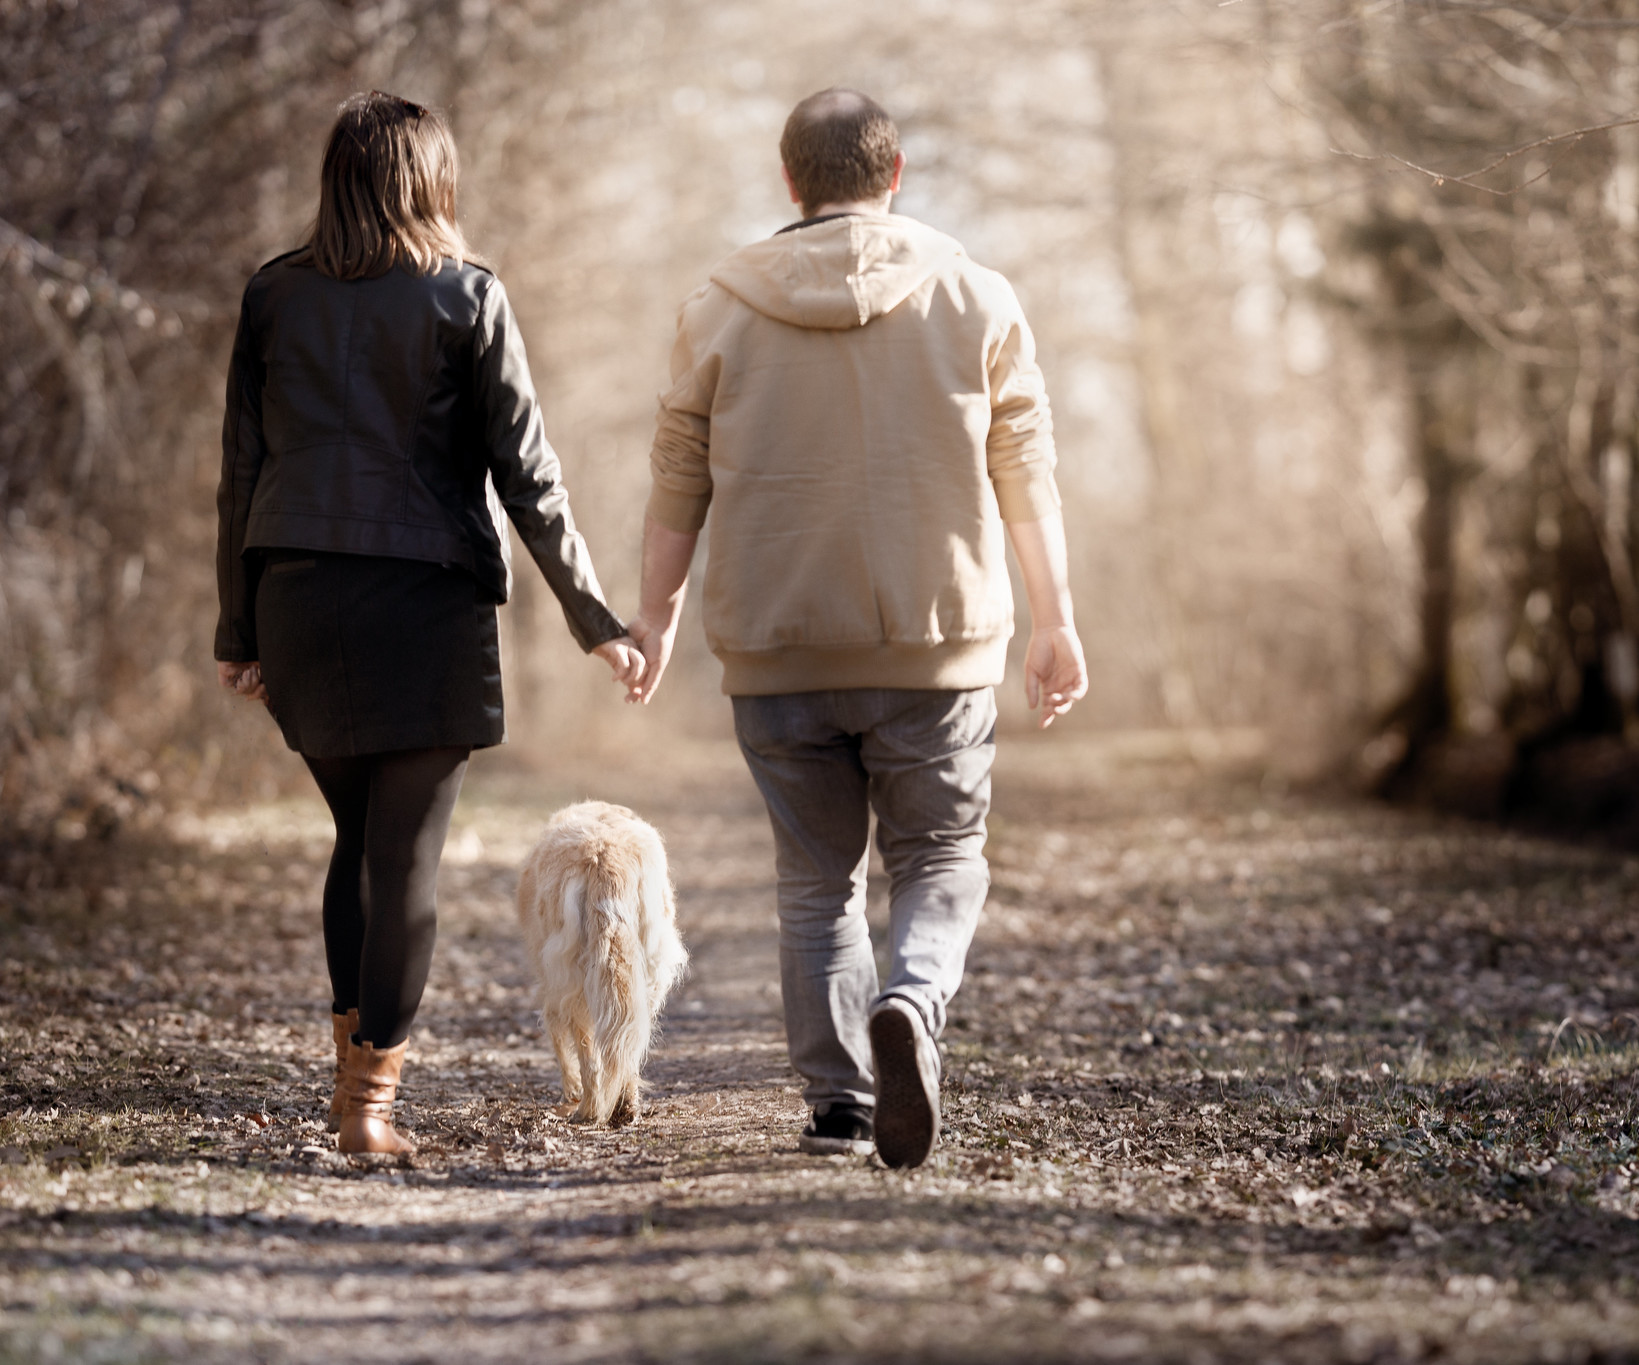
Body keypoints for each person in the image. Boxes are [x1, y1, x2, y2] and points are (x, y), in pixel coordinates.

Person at [625, 89, 1089, 1168]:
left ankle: (838, 1104)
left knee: (814, 879)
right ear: (896, 174)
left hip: (776, 645)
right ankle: (914, 1002)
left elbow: (675, 484)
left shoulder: (716, 306)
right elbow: (1025, 471)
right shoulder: (976, 296)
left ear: (789, 180)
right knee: (939, 853)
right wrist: (1054, 619)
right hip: (939, 642)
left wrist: (654, 617)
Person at [212, 92, 644, 1156]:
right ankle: (367, 1111)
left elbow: (241, 474)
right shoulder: (466, 296)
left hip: (298, 594)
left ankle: (355, 1087)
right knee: (401, 858)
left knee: (356, 842)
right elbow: (528, 478)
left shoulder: (274, 294)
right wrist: (598, 620)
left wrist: (239, 627)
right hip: (422, 597)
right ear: (430, 180)